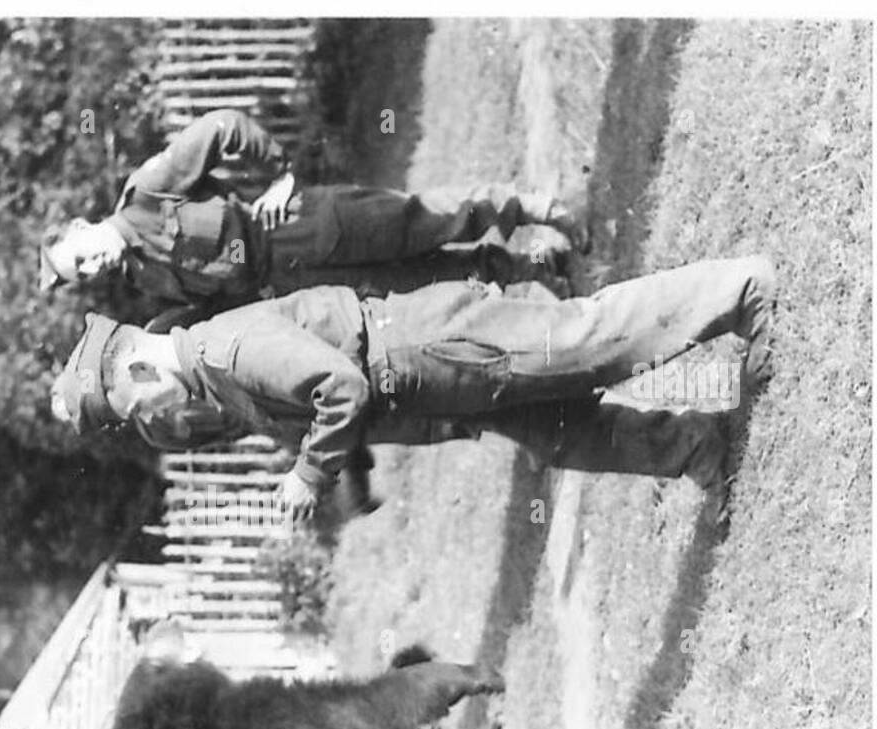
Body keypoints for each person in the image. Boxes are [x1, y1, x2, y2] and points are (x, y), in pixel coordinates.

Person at [50, 257, 776, 520]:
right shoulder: (212, 376)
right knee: (561, 433)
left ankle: (740, 289)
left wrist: (309, 474)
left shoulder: (224, 349)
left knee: (586, 342)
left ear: (139, 371)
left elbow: (338, 386)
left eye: (132, 407)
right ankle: (696, 447)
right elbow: (328, 406)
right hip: (427, 384)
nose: (149, 419)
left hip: (431, 347)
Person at [38, 108, 587, 310]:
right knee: (423, 283)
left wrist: (278, 174)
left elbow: (220, 127)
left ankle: (538, 208)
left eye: (82, 256)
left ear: (84, 227)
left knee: (422, 221)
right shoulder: (147, 279)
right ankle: (533, 268)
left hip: (298, 223)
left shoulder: (148, 193)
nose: (93, 267)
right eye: (81, 274)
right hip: (300, 281)